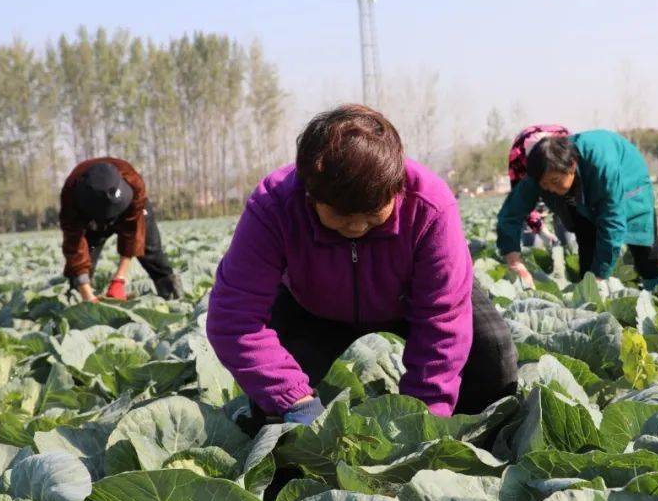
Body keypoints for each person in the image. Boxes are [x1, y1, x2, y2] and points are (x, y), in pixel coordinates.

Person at [207, 104, 518, 426]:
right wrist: (294, 400)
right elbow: (234, 318)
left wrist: (421, 422)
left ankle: (481, 448)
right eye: (340, 216)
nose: (356, 227)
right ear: (310, 194)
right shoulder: (274, 205)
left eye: (372, 215)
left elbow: (442, 321)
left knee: (492, 352)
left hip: (409, 302)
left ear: (396, 189)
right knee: (268, 411)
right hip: (313, 305)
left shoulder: (430, 206)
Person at [497, 130, 658, 290]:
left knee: (645, 250)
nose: (551, 189)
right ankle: (593, 301)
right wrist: (514, 262)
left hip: (628, 179)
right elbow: (511, 214)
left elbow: (612, 222)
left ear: (571, 165)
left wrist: (600, 276)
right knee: (587, 243)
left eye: (555, 181)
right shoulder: (541, 173)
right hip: (580, 190)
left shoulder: (601, 164)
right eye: (545, 186)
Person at [59, 158, 182, 302]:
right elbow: (74, 246)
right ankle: (78, 302)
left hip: (130, 210)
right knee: (81, 266)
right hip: (92, 222)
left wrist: (119, 279)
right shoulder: (71, 196)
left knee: (151, 251)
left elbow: (132, 233)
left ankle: (172, 295)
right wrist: (87, 296)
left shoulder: (133, 182)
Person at [508, 124, 574, 250]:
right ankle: (532, 255)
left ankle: (570, 253)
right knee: (531, 238)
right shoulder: (517, 156)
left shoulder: (568, 143)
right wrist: (542, 230)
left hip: (562, 181)